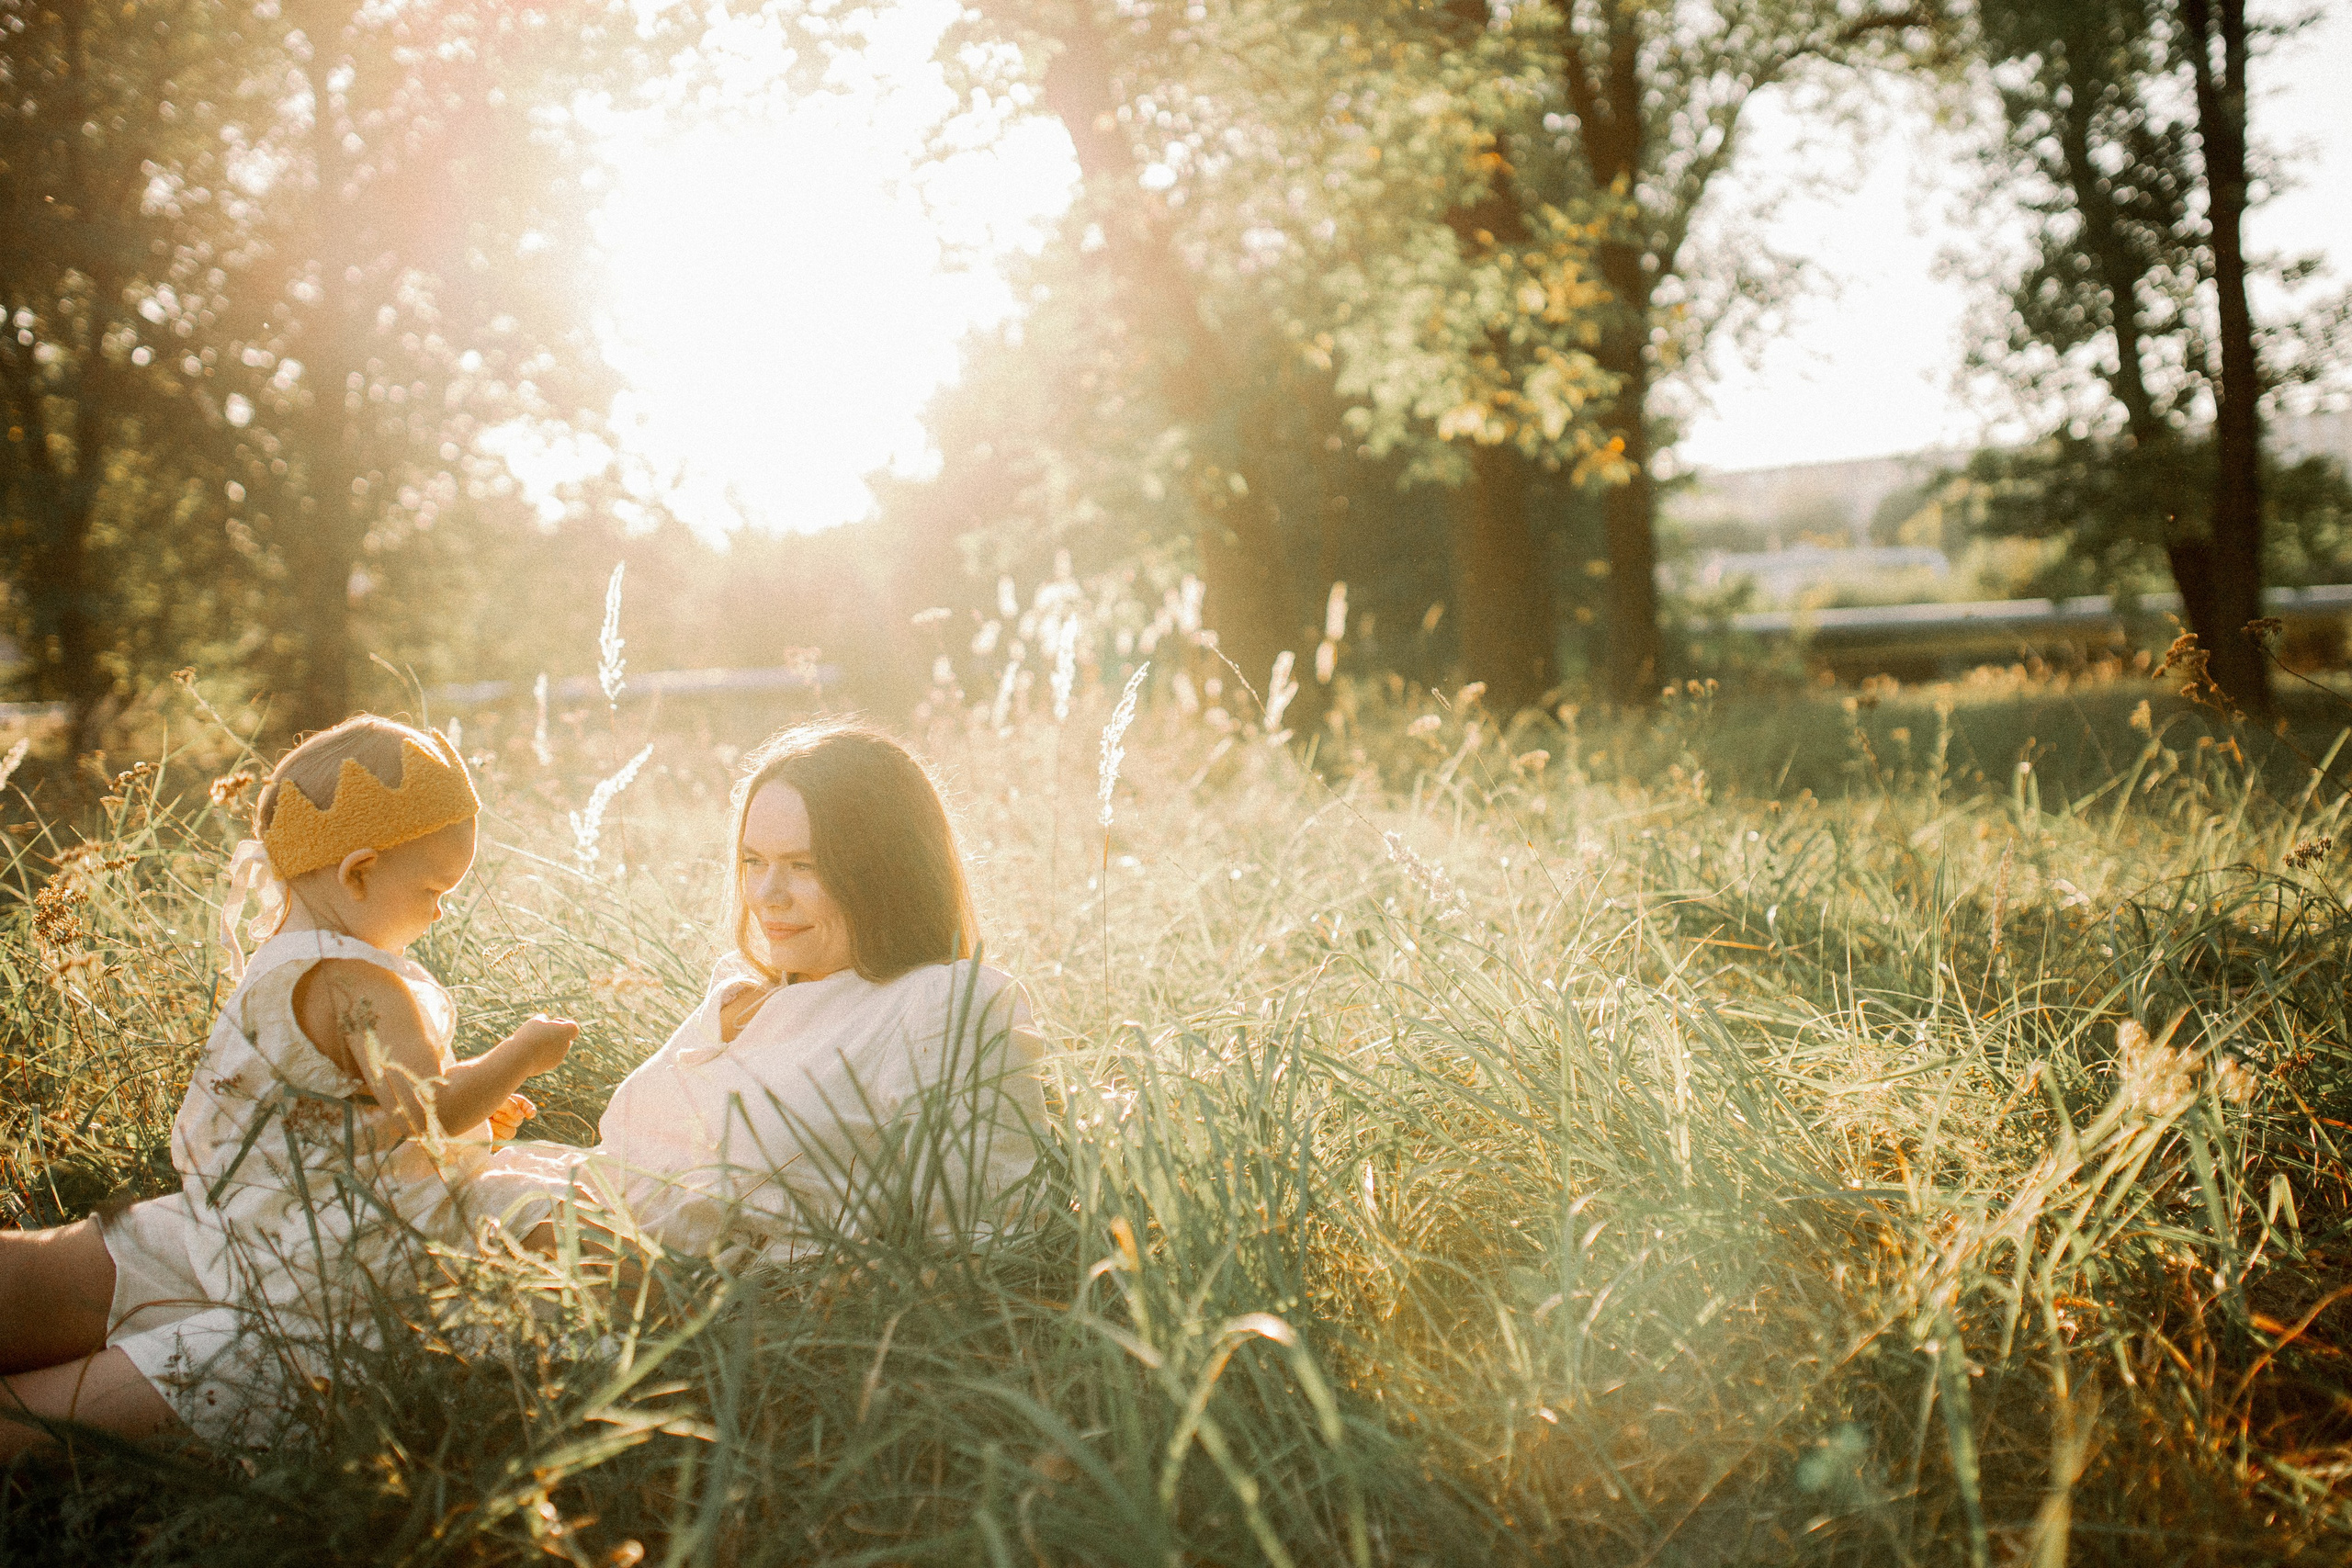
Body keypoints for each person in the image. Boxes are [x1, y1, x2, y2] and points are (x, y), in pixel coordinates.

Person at [0, 717, 578, 1456]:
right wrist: (521, 1054)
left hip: (232, 1222)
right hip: (322, 1276)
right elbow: (426, 1108)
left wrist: (478, 1113)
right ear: (358, 872)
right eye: (434, 887)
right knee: (78, 1412)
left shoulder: (282, 957)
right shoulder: (363, 985)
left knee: (53, 1280)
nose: (440, 911)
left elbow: (345, 1109)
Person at [505, 720, 1049, 1268]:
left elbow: (985, 1242)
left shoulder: (944, 1003)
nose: (766, 895)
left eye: (804, 866)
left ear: (887, 873)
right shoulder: (745, 992)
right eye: (753, 861)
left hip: (670, 1309)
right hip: (544, 1216)